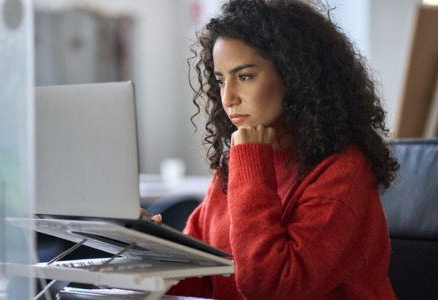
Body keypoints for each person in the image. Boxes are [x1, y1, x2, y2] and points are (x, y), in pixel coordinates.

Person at [165, 0, 400, 299]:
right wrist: (145, 251)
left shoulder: (343, 169)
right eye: (220, 80)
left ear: (293, 75)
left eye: (245, 76)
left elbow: (272, 288)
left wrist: (251, 164)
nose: (228, 97)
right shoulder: (235, 165)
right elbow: (200, 278)